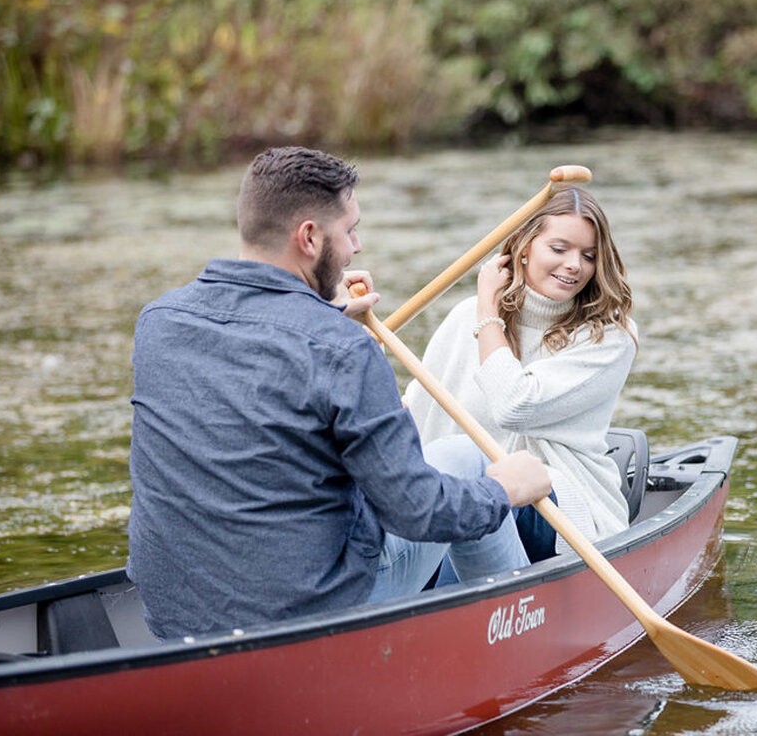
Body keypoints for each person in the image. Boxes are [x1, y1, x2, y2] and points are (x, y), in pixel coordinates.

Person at [127, 146, 551, 639]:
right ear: (309, 237)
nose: (356, 247)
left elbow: (257, 372)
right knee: (472, 460)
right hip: (310, 615)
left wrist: (318, 310)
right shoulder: (342, 348)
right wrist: (506, 489)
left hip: (173, 616)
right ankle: (522, 643)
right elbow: (417, 510)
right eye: (350, 231)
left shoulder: (160, 321)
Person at [404, 187, 638, 564]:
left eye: (589, 256)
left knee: (483, 489)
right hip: (457, 497)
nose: (574, 265)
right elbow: (416, 416)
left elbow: (514, 406)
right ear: (524, 247)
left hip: (557, 506)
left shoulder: (609, 337)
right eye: (559, 249)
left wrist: (488, 313)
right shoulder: (463, 317)